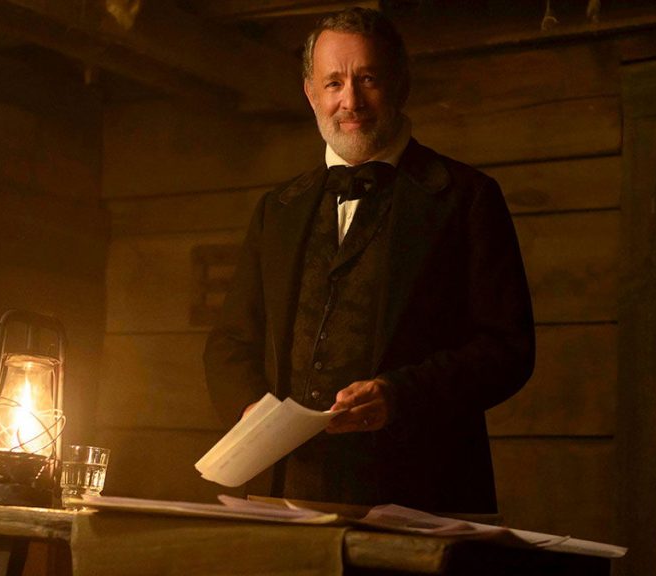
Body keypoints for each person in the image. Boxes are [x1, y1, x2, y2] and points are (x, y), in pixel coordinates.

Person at [203, 7, 534, 513]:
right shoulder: (277, 209)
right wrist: (254, 414)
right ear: (311, 93)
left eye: (368, 79)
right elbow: (230, 342)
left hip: (419, 494)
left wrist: (400, 395)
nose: (351, 101)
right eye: (333, 83)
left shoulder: (468, 197)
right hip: (283, 491)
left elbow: (508, 349)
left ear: (400, 84)